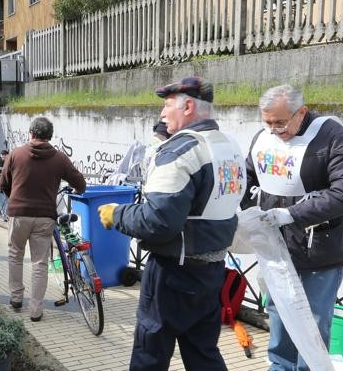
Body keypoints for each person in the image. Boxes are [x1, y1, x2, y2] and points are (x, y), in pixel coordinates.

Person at [97, 77, 246, 370]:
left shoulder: (180, 150)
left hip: (173, 274)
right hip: (213, 269)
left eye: (167, 106)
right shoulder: (229, 146)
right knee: (203, 353)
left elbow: (158, 221)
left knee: (150, 354)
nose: (162, 114)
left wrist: (117, 214)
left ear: (188, 106)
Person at [242, 84, 343, 371]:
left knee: (313, 320)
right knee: (279, 311)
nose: (274, 130)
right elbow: (248, 178)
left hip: (321, 247)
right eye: (268, 122)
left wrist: (294, 214)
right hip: (276, 246)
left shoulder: (331, 136)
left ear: (302, 112)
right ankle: (280, 366)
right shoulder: (264, 138)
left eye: (281, 122)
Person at [0, 117, 86, 322]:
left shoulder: (15, 154)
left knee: (15, 255)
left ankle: (16, 298)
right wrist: (77, 188)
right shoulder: (59, 158)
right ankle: (36, 310)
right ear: (50, 136)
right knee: (39, 263)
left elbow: (3, 182)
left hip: (18, 215)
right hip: (45, 217)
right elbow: (80, 183)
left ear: (31, 133)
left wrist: (15, 198)